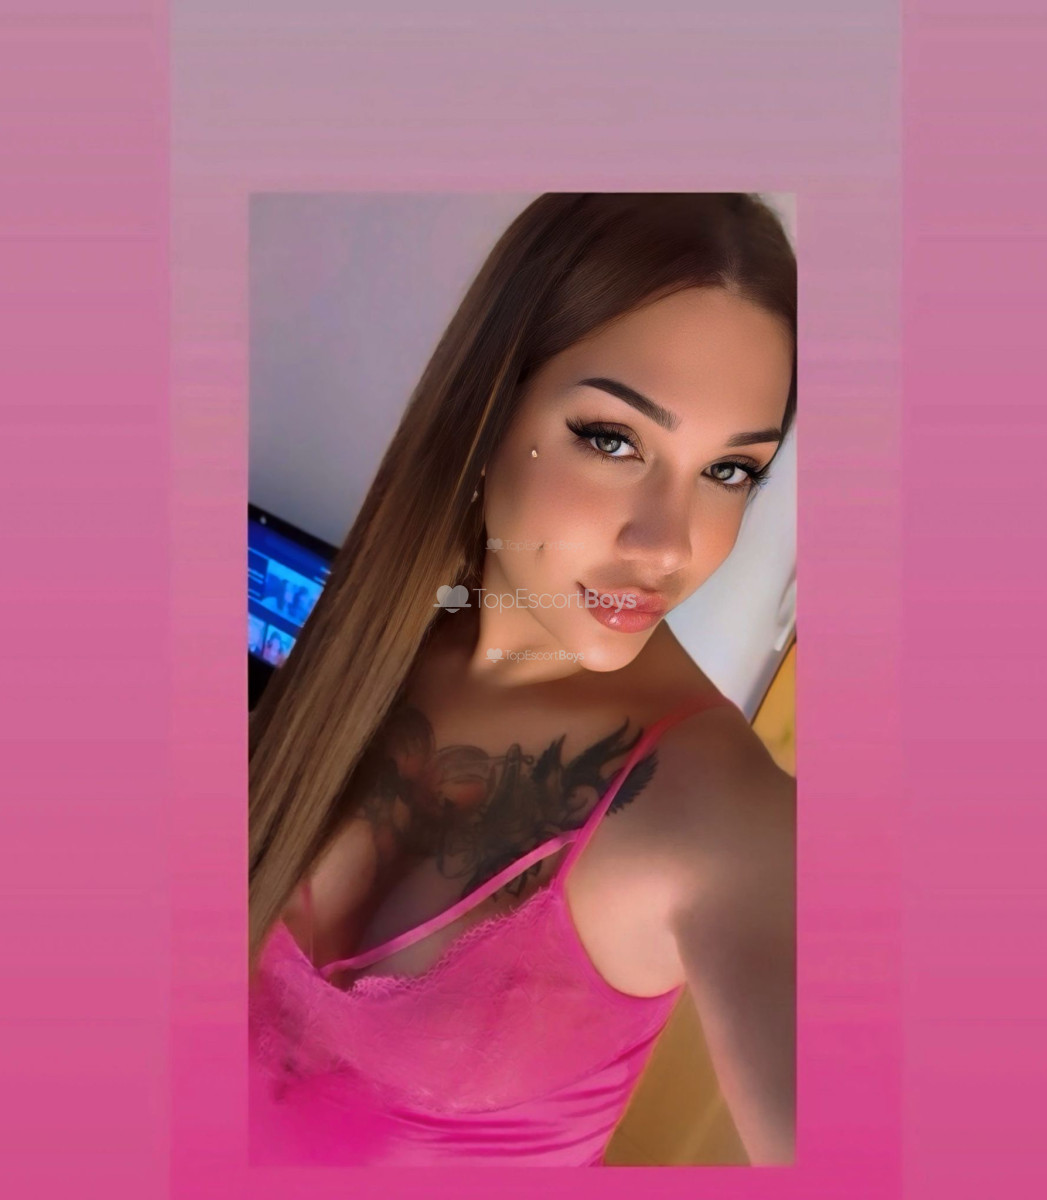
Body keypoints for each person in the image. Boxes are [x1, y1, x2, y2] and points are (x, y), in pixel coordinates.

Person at [248, 193, 797, 1167]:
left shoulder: (726, 822)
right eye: (614, 440)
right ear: (491, 409)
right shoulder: (378, 638)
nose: (669, 545)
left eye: (729, 472)